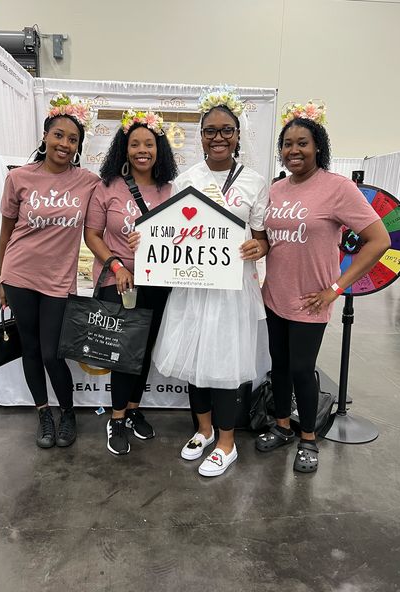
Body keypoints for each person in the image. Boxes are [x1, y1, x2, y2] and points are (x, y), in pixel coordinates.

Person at [256, 112, 391, 473]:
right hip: (274, 296)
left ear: (318, 147)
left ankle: (308, 438)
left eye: (302, 143)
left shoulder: (337, 187)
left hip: (312, 300)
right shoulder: (276, 189)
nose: (293, 150)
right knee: (279, 367)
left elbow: (380, 240)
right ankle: (283, 426)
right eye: (287, 144)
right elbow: (272, 241)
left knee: (302, 370)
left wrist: (336, 289)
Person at [151, 87, 270, 477]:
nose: (218, 137)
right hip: (194, 286)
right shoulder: (187, 178)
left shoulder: (254, 181)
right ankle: (203, 431)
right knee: (194, 360)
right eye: (210, 131)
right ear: (200, 135)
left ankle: (227, 441)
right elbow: (170, 229)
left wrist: (258, 246)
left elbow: (262, 237)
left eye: (226, 130)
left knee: (224, 364)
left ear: (238, 133)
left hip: (233, 289)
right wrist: (146, 238)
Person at [0, 94, 100, 449]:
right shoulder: (19, 178)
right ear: (45, 136)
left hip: (58, 281)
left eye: (72, 139)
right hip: (20, 274)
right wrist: (1, 277)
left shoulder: (87, 182)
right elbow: (7, 231)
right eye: (59, 135)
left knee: (52, 352)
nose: (65, 144)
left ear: (78, 147)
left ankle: (67, 413)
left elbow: (110, 212)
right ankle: (43, 413)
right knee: (30, 348)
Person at [84, 109, 177, 456]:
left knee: (144, 351)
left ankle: (134, 408)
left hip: (158, 281)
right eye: (135, 143)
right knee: (124, 354)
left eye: (149, 144)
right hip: (118, 280)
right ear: (124, 149)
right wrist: (117, 264)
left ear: (159, 148)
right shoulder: (106, 187)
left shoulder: (170, 189)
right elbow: (92, 234)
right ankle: (117, 418)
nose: (142, 150)